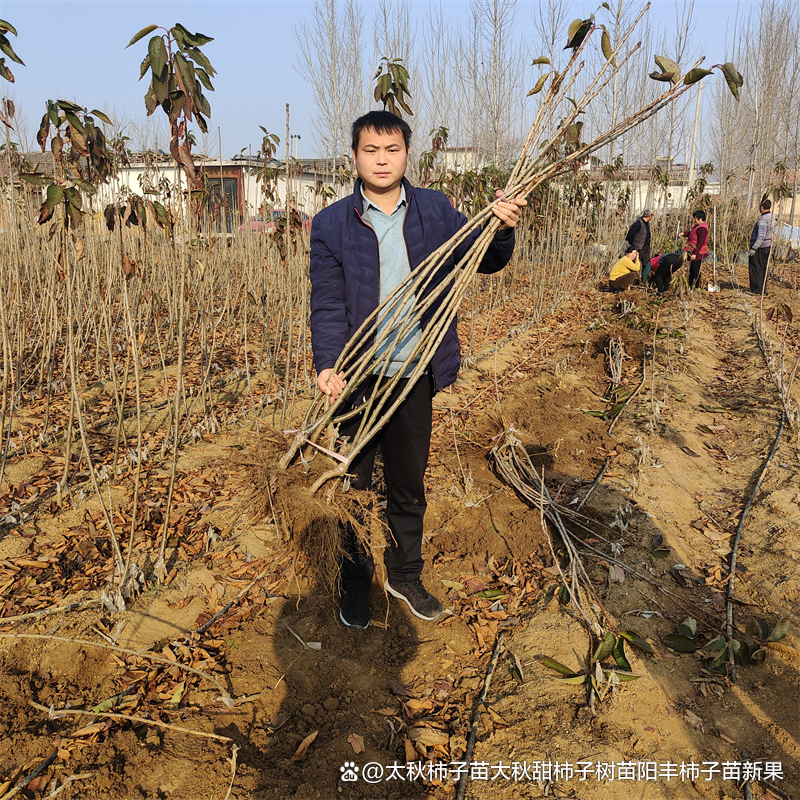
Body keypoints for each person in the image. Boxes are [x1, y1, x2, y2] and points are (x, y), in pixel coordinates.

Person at [309, 111, 525, 630]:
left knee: (407, 484)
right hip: (360, 377)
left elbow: (484, 259)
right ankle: (356, 583)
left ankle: (406, 575)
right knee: (354, 486)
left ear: (408, 153)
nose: (381, 160)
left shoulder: (435, 209)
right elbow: (329, 302)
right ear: (354, 157)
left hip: (414, 370)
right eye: (370, 150)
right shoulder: (332, 224)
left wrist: (500, 228)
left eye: (391, 149)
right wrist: (328, 364)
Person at [748, 199, 774, 295]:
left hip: (760, 247)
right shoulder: (771, 217)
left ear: (762, 208)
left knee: (756, 268)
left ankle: (756, 290)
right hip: (767, 246)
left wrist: (754, 248)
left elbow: (761, 236)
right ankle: (762, 289)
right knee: (763, 268)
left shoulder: (763, 220)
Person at [683, 210, 709, 289]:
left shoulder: (702, 229)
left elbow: (701, 242)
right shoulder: (697, 226)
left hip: (698, 252)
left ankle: (696, 287)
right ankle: (690, 285)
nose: (694, 220)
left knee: (695, 270)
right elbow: (692, 233)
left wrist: (695, 253)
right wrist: (684, 234)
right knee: (691, 269)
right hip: (692, 249)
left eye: (696, 218)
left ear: (701, 218)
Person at [626, 208, 654, 282]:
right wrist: (634, 246)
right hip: (638, 248)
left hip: (646, 247)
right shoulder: (639, 223)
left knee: (646, 264)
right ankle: (630, 281)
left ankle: (644, 281)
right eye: (652, 215)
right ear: (649, 216)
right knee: (634, 265)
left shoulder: (647, 223)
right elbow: (630, 235)